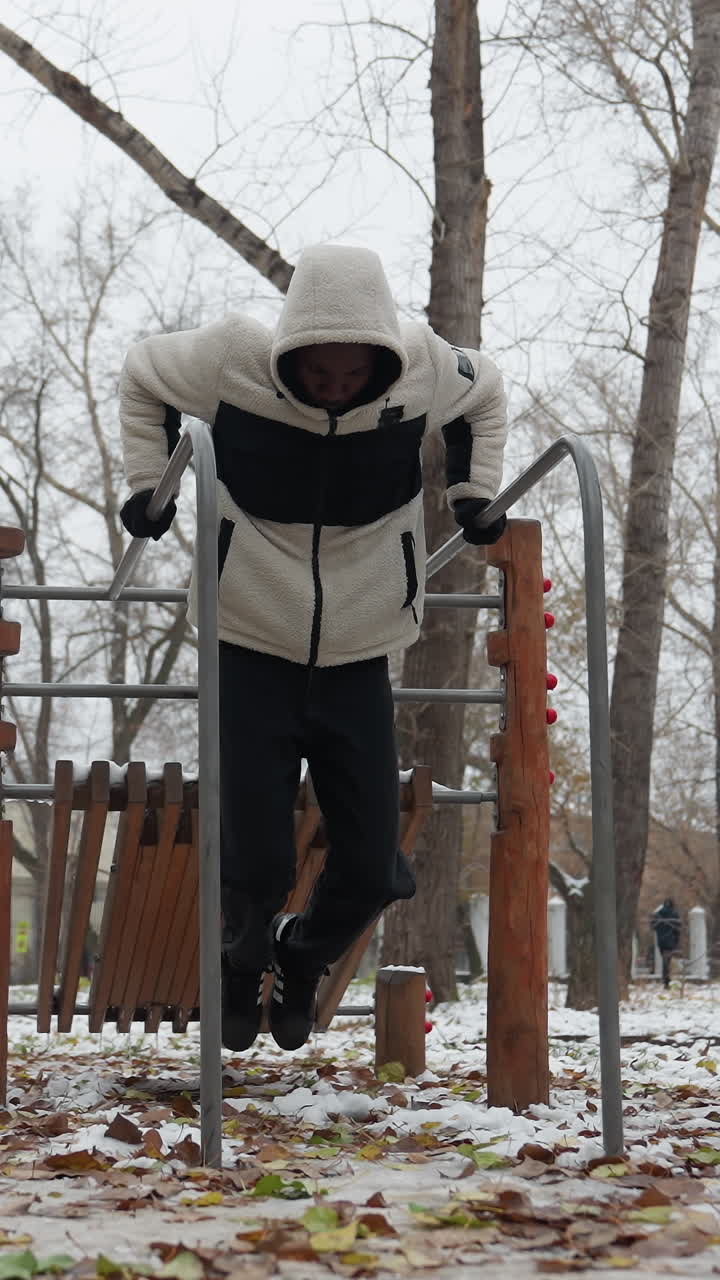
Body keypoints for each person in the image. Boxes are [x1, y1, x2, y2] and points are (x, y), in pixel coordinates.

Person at [118, 243, 508, 1053]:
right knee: (255, 855)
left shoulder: (425, 371)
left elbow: (490, 391)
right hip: (249, 636)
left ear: (382, 358)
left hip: (360, 650)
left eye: (351, 377)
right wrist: (144, 484)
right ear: (289, 349)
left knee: (372, 863)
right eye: (318, 374)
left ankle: (302, 958)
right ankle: (241, 961)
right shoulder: (232, 359)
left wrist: (473, 491)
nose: (335, 389)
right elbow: (143, 374)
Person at [651, 898, 681, 988]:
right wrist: (676, 941)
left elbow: (653, 927)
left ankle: (666, 980)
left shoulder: (658, 914)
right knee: (667, 961)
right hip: (670, 941)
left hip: (661, 942)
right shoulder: (674, 914)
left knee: (665, 961)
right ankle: (666, 981)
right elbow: (678, 929)